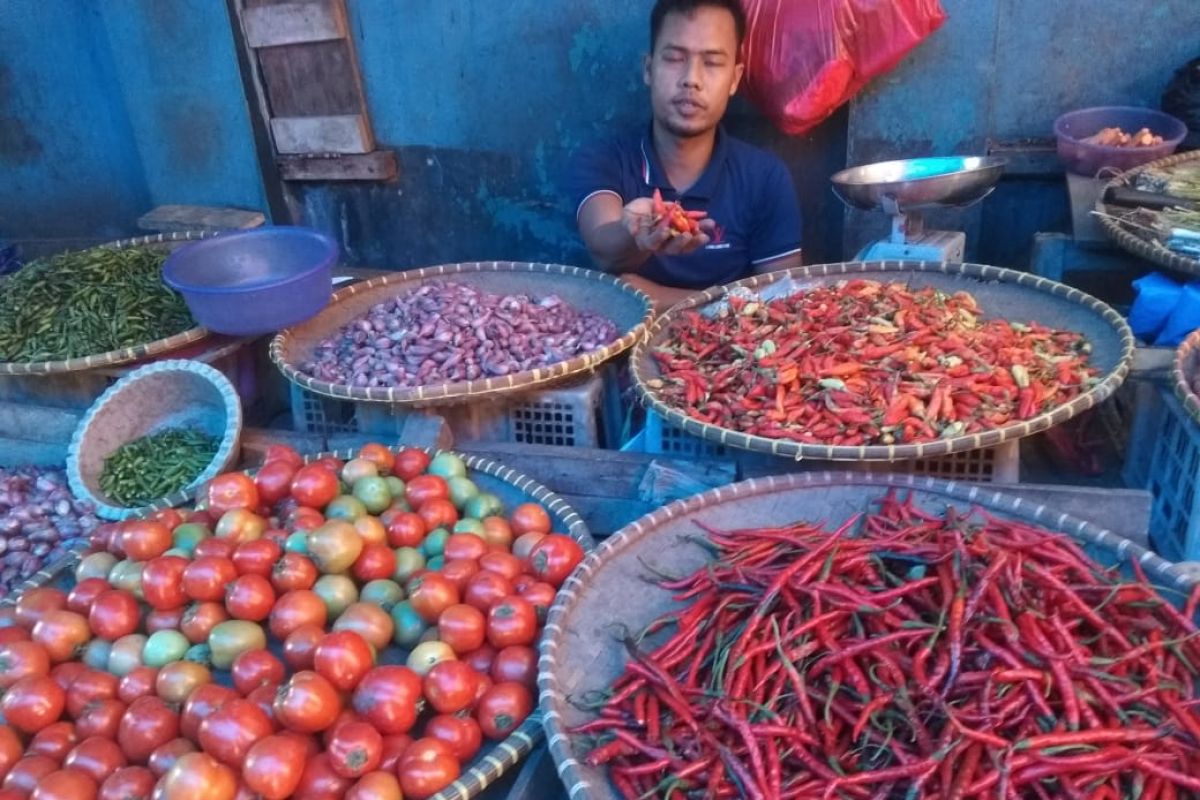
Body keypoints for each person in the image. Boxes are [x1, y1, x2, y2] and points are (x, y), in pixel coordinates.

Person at [566, 0, 803, 311]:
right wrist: (634, 232)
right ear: (649, 69)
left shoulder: (765, 177)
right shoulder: (605, 160)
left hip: (732, 352)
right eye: (675, 58)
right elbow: (603, 247)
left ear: (734, 78)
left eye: (713, 63)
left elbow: (785, 300)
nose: (691, 78)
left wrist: (664, 299)